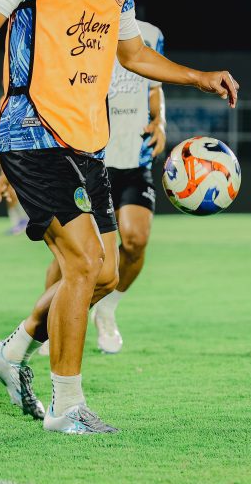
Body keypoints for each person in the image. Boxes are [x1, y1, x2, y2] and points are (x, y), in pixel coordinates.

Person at [0, 0, 239, 434]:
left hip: (90, 143)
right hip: (33, 134)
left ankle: (10, 352)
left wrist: (197, 76)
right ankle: (66, 407)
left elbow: (132, 54)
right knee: (82, 263)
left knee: (104, 272)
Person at [38, 18, 166, 356]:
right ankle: (46, 325)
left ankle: (106, 310)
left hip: (135, 157)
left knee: (136, 241)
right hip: (92, 158)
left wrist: (160, 120)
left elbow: (155, 88)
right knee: (74, 249)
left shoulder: (150, 36)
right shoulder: (83, 30)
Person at [0, 144, 28, 235]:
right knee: (8, 184)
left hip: (26, 143)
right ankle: (20, 221)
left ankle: (25, 220)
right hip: (8, 144)